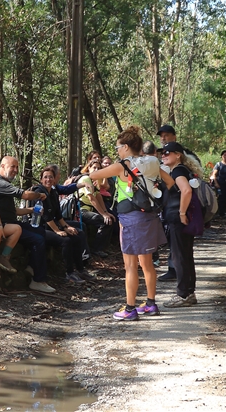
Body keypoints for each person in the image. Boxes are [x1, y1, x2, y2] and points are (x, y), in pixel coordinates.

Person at [91, 126, 168, 320]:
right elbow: (170, 182)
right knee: (147, 264)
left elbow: (93, 176)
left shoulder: (122, 166)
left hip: (131, 219)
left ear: (126, 147)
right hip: (149, 216)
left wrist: (87, 172)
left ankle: (130, 308)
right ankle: (150, 304)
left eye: (118, 148)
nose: (117, 152)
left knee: (131, 265)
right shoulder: (152, 162)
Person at [0, 156, 55, 293]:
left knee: (40, 231)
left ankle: (32, 266)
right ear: (2, 166)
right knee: (37, 239)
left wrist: (31, 210)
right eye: (12, 167)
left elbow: (13, 211)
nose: (15, 170)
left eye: (17, 167)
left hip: (12, 222)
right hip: (3, 226)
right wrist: (39, 195)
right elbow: (24, 195)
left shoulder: (4, 183)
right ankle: (38, 280)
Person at [156, 142, 201, 308]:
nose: (163, 155)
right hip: (182, 218)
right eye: (162, 153)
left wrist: (181, 213)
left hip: (178, 219)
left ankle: (183, 294)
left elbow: (186, 190)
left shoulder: (178, 171)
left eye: (167, 153)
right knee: (186, 255)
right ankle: (189, 292)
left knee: (179, 256)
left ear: (178, 155)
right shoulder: (182, 170)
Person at [34, 166, 92, 284]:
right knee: (66, 240)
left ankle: (81, 269)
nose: (48, 180)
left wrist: (66, 227)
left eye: (51, 177)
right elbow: (46, 216)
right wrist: (58, 231)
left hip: (52, 224)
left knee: (78, 233)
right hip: (40, 227)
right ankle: (69, 273)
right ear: (41, 179)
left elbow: (58, 215)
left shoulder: (53, 192)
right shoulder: (39, 192)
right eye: (45, 177)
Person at [74, 161, 116, 258]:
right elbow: (91, 198)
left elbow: (98, 197)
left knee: (111, 219)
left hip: (89, 210)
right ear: (88, 168)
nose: (96, 170)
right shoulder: (86, 179)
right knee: (104, 222)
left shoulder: (94, 181)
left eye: (98, 168)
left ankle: (103, 248)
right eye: (94, 167)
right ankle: (96, 249)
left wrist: (106, 212)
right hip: (80, 211)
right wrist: (103, 215)